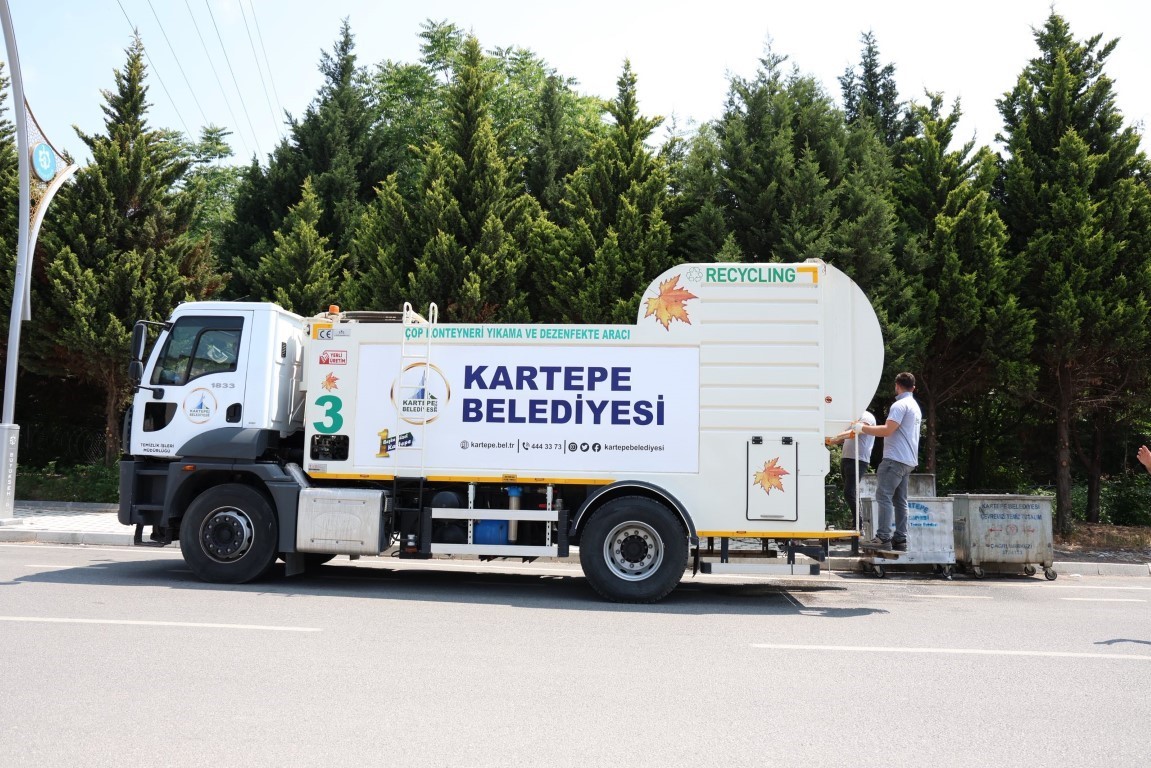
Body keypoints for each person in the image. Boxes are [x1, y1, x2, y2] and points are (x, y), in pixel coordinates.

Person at [855, 372, 922, 551]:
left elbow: (887, 430)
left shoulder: (899, 405)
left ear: (897, 386)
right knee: (900, 500)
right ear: (913, 388)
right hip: (908, 461)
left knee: (883, 496)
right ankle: (900, 539)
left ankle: (883, 537)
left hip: (894, 459)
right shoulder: (915, 406)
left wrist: (862, 428)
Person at [829, 410, 876, 524]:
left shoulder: (866, 417)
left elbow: (854, 432)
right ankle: (857, 522)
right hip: (847, 458)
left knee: (849, 492)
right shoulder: (853, 419)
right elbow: (841, 438)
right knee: (850, 492)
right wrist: (827, 440)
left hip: (858, 459)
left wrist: (836, 436)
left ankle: (859, 524)